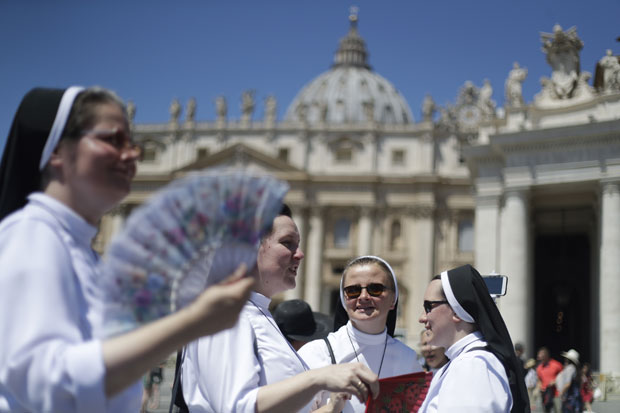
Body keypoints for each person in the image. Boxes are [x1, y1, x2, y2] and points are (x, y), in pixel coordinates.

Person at [0, 86, 255, 412]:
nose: (133, 154)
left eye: (132, 143)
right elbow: (49, 387)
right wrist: (190, 323)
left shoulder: (85, 255)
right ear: (58, 151)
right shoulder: (31, 236)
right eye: (113, 140)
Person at [181, 208, 379, 412]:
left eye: (298, 245)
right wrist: (319, 378)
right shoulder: (224, 315)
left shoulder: (259, 314)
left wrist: (331, 407)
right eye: (287, 243)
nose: (300, 254)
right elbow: (236, 407)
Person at [299, 255, 424, 413]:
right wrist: (331, 408)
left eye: (375, 289)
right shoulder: (315, 353)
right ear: (344, 299)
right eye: (353, 291)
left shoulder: (408, 359)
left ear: (393, 299)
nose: (363, 296)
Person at [417, 264, 530, 413]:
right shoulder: (467, 362)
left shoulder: (472, 365)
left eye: (429, 307)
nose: (422, 318)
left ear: (457, 311)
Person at [536, 346, 563, 413]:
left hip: (555, 393)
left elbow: (563, 376)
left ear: (546, 356)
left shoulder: (556, 365)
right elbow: (539, 380)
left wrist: (555, 381)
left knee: (558, 410)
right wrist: (540, 387)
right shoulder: (539, 368)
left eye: (541, 355)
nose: (539, 357)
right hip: (545, 394)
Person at [556, 349, 582, 413]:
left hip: (569, 398)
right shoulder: (575, 369)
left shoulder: (570, 368)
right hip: (575, 398)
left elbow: (568, 383)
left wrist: (561, 393)